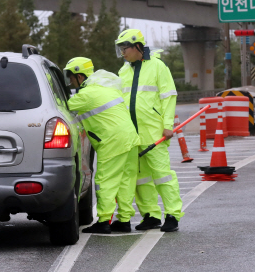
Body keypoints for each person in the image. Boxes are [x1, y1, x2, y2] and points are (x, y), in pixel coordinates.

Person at [115, 29, 183, 232]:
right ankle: (151, 216)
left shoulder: (157, 66)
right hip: (132, 135)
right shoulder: (124, 71)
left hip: (154, 133)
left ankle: (172, 215)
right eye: (120, 48)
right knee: (141, 178)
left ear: (138, 46)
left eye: (124, 48)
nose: (122, 53)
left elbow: (168, 96)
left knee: (163, 175)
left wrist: (168, 126)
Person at [64, 57, 139, 234]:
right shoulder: (106, 89)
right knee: (126, 180)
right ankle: (124, 220)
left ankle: (104, 220)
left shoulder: (86, 95)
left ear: (79, 76)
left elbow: (63, 107)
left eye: (71, 77)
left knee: (105, 179)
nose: (70, 81)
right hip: (130, 138)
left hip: (112, 141)